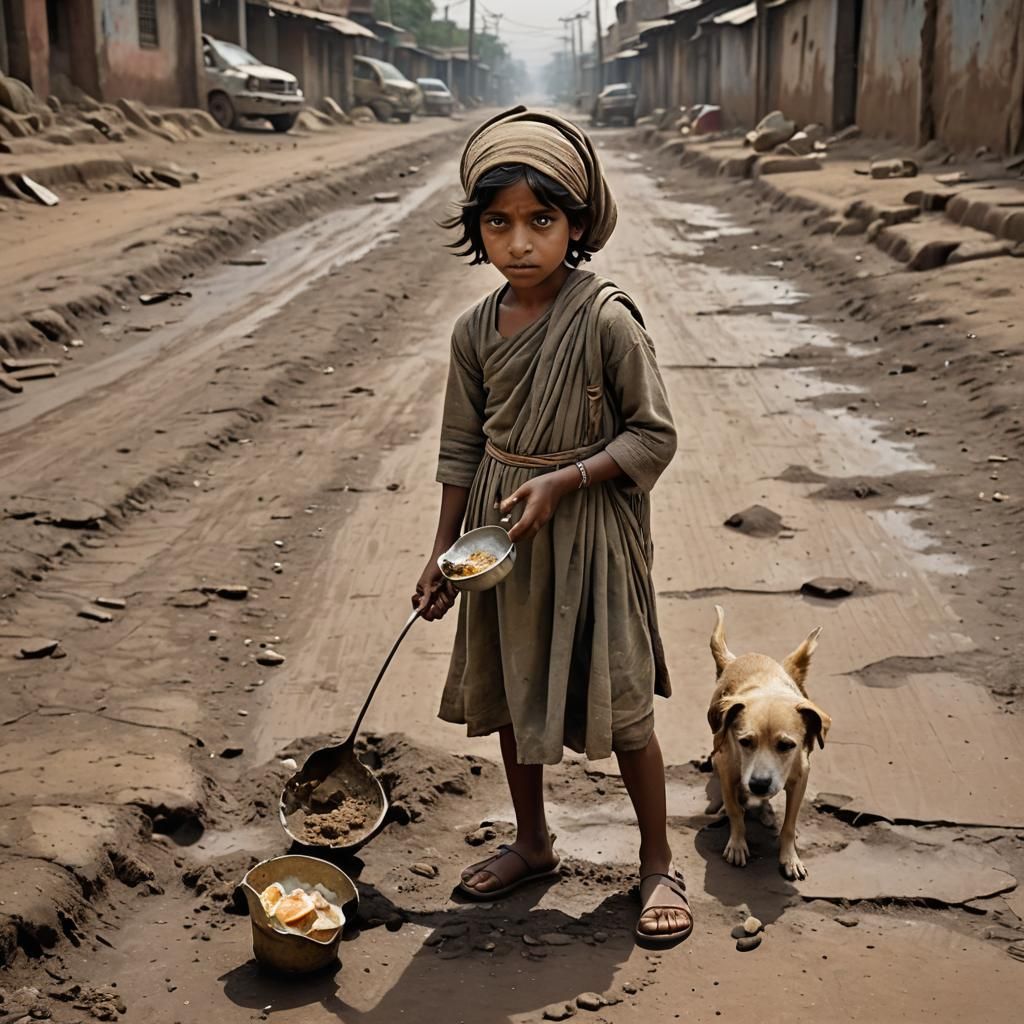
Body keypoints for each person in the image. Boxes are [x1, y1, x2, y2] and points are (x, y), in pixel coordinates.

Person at [412, 107, 690, 945]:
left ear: (578, 224)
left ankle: (656, 860)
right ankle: (532, 843)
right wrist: (442, 553)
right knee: (511, 685)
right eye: (498, 222)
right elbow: (462, 446)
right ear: (477, 231)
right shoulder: (473, 331)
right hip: (504, 537)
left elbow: (653, 435)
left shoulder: (605, 319)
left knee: (625, 695)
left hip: (590, 530)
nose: (520, 242)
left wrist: (565, 481)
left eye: (541, 220)